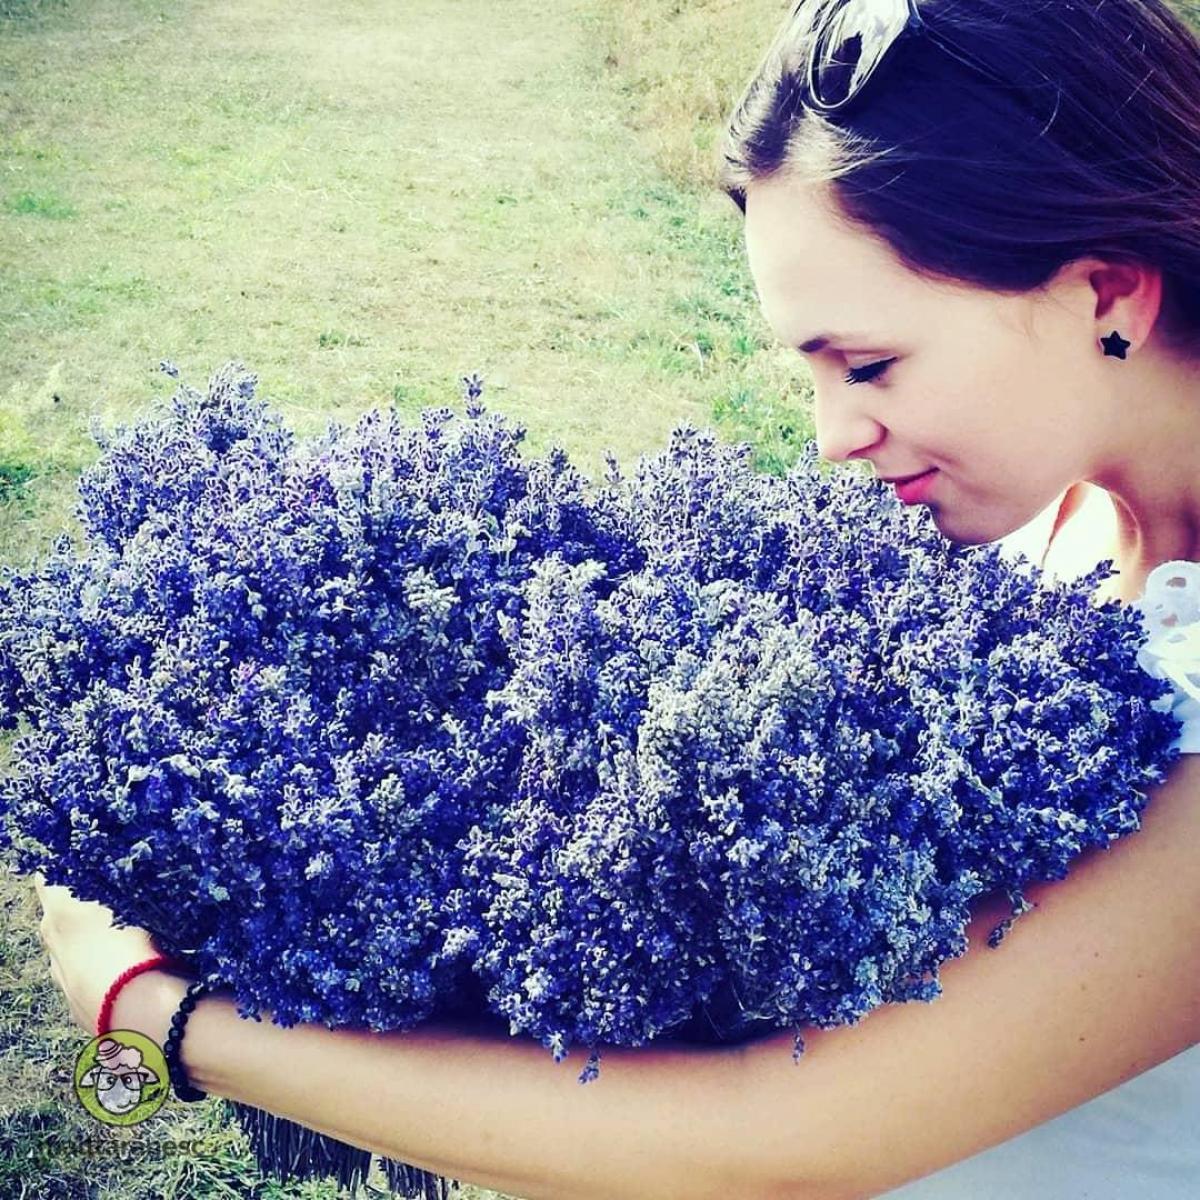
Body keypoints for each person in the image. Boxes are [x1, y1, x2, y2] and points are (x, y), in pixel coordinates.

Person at [33, 1, 1200, 1197]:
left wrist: (162, 1021)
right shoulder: (1042, 512)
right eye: (809, 369)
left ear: (1108, 296)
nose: (832, 438)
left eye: (869, 365)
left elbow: (782, 1136)